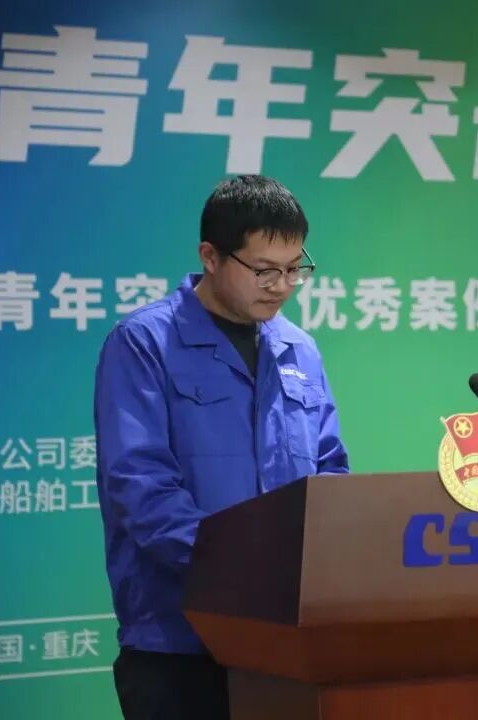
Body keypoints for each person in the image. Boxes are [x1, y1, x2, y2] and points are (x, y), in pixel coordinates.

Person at [93, 175, 349, 720]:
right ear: (210, 256)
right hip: (178, 642)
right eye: (264, 270)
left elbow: (329, 472)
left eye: (294, 269)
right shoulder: (143, 343)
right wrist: (247, 573)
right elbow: (141, 488)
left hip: (284, 642)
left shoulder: (299, 350)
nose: (281, 286)